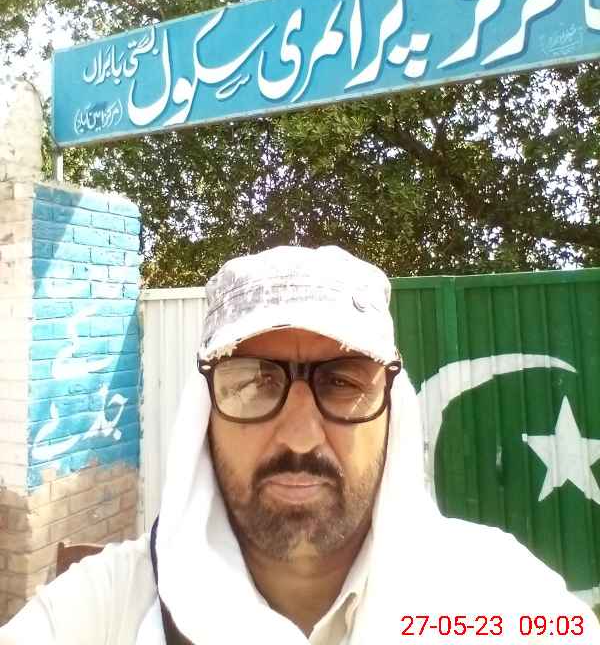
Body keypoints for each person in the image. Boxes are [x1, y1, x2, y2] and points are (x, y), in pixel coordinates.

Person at [1, 245, 598, 644]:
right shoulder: (102, 611)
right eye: (254, 383)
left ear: (393, 411)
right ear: (205, 414)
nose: (300, 436)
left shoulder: (497, 600)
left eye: (343, 383)